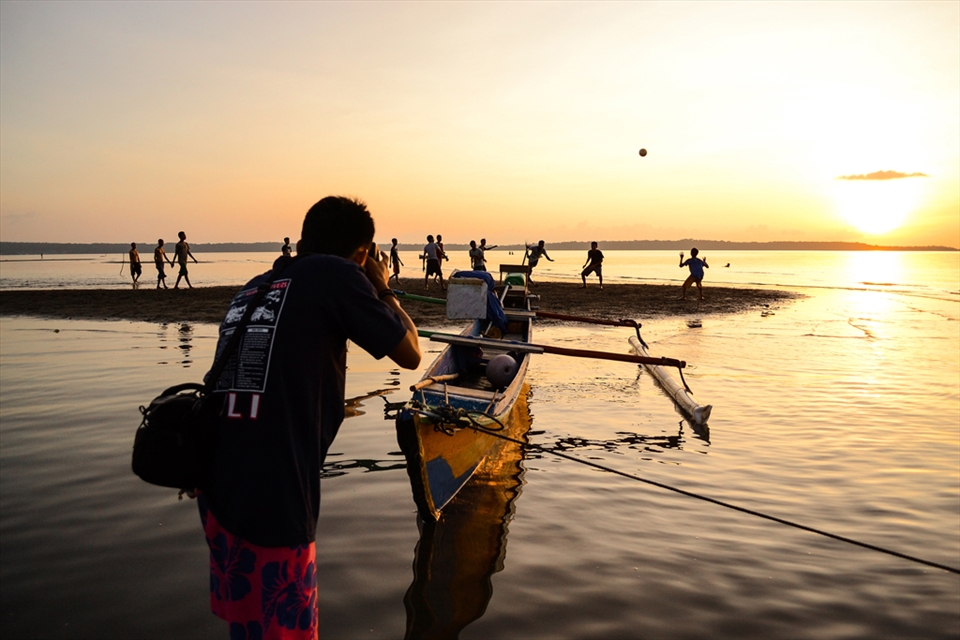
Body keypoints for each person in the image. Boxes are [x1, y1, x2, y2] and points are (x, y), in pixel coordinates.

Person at [196, 196, 421, 640]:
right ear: (363, 254)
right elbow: (410, 353)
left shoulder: (260, 284)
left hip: (219, 485)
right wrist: (383, 287)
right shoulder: (335, 274)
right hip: (274, 494)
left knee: (250, 627)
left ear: (303, 240)